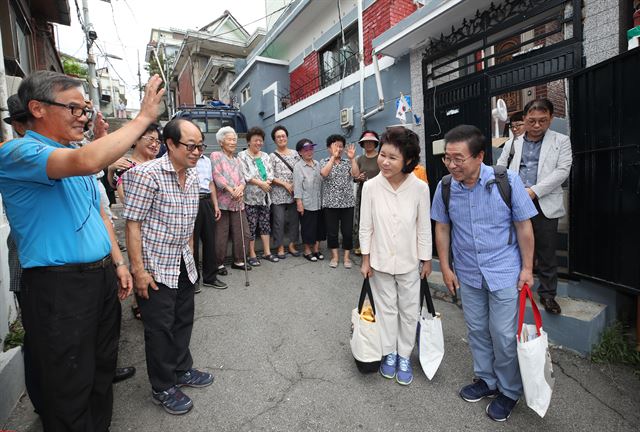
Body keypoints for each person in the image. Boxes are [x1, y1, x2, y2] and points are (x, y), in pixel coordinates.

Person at [0, 70, 163, 431]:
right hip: (59, 287)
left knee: (100, 371)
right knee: (67, 383)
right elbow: (88, 162)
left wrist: (118, 263)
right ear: (37, 109)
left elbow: (98, 213)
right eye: (74, 108)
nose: (83, 116)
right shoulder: (19, 151)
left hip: (99, 276)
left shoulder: (72, 152)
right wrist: (143, 118)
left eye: (86, 109)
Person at [431, 125, 537, 422]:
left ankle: (508, 390)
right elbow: (441, 226)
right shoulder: (446, 186)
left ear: (479, 156)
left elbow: (524, 226)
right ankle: (486, 381)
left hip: (504, 272)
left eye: (458, 158)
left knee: (503, 335)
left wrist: (527, 268)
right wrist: (446, 268)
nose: (451, 165)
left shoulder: (507, 181)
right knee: (476, 330)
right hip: (468, 272)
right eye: (447, 158)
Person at [123, 118, 213, 415]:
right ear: (170, 144)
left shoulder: (194, 175)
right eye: (191, 145)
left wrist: (192, 261)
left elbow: (187, 225)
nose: (197, 151)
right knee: (159, 329)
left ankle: (181, 369)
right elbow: (132, 224)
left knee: (183, 319)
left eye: (200, 146)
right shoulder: (146, 175)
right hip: (155, 267)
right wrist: (139, 271)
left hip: (183, 263)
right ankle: (162, 386)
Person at [359, 126, 432, 386]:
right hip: (378, 261)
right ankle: (389, 353)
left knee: (409, 310)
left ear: (408, 161)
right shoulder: (370, 187)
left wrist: (426, 259)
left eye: (392, 157)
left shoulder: (420, 188)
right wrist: (365, 259)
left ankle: (404, 355)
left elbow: (423, 227)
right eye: (382, 155)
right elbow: (365, 226)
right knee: (386, 309)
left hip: (409, 261)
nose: (384, 161)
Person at [497, 98, 572, 314]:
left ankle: (548, 295)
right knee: (516, 246)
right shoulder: (513, 143)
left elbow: (562, 171)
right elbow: (501, 167)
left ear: (551, 118)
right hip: (516, 202)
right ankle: (520, 286)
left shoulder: (561, 141)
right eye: (532, 121)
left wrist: (534, 191)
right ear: (524, 119)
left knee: (547, 249)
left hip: (544, 202)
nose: (537, 125)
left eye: (543, 120)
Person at [108, 123, 163, 316]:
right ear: (136, 141)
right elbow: (126, 200)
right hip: (141, 229)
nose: (155, 144)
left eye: (158, 141)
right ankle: (140, 302)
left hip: (161, 231)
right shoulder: (126, 167)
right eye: (150, 139)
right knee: (140, 265)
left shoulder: (160, 164)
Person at [211, 126, 252, 274]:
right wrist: (230, 189)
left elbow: (243, 178)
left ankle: (239, 260)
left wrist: (240, 188)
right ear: (221, 142)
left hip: (238, 201)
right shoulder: (216, 155)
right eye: (229, 139)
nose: (233, 142)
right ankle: (219, 264)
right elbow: (216, 175)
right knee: (221, 235)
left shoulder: (237, 160)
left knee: (243, 232)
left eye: (234, 139)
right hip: (223, 202)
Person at [239, 127, 278, 266]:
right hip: (250, 198)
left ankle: (267, 252)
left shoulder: (265, 156)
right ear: (249, 141)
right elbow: (245, 175)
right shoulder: (242, 156)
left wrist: (266, 182)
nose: (258, 143)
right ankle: (252, 253)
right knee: (251, 225)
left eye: (260, 140)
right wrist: (261, 183)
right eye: (255, 140)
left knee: (265, 224)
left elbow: (270, 173)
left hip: (264, 198)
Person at [193, 140, 228, 290]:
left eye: (202, 146)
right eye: (196, 146)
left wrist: (215, 205)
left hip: (206, 201)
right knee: (192, 243)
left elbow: (211, 184)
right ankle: (193, 279)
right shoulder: (184, 160)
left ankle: (210, 277)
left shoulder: (207, 161)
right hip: (191, 201)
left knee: (210, 241)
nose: (199, 149)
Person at [320, 134, 359, 268]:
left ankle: (347, 257)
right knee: (332, 232)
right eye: (335, 146)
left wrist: (352, 159)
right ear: (329, 148)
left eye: (341, 146)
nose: (339, 149)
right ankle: (335, 257)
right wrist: (333, 157)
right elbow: (324, 174)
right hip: (330, 203)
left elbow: (356, 175)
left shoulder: (347, 162)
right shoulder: (324, 161)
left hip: (347, 203)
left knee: (347, 231)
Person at [270, 125, 301, 258]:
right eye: (278, 137)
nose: (281, 138)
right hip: (278, 194)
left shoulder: (295, 154)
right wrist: (285, 184)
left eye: (283, 136)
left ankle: (292, 245)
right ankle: (280, 247)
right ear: (275, 140)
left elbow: (300, 170)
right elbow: (269, 175)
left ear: (287, 137)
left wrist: (294, 184)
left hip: (294, 193)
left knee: (294, 221)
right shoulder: (272, 156)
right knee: (279, 221)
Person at [293, 138, 325, 261]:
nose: (309, 151)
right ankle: (307, 251)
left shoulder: (318, 164)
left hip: (319, 202)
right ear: (300, 152)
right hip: (307, 202)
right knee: (307, 227)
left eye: (311, 148)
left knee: (319, 227)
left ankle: (316, 249)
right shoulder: (298, 167)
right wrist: (299, 202)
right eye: (306, 149)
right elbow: (297, 186)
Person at [353, 130, 380, 255]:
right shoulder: (360, 159)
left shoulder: (381, 157)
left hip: (379, 192)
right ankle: (362, 246)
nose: (368, 144)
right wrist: (359, 178)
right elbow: (355, 176)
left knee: (379, 218)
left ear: (375, 143)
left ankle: (378, 245)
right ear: (362, 144)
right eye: (365, 142)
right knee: (364, 219)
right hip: (363, 192)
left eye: (371, 142)